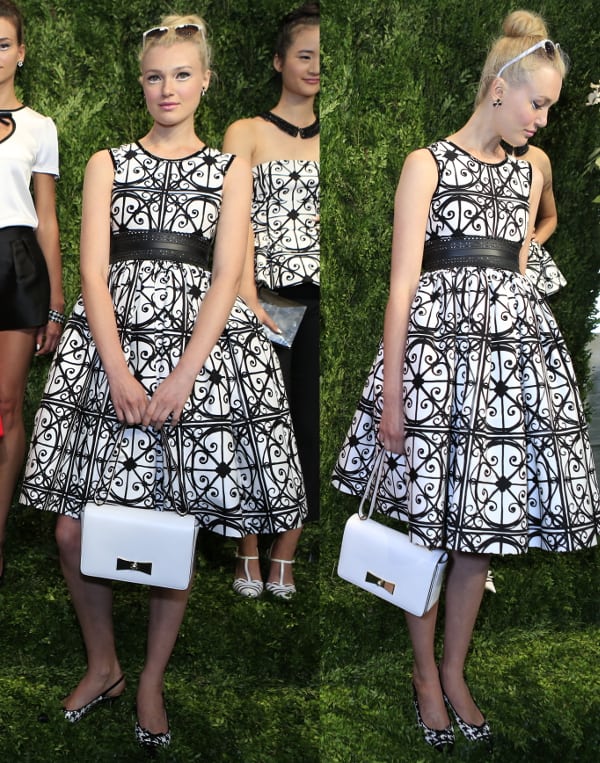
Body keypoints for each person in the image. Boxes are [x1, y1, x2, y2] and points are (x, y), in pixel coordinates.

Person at [19, 14, 306, 752]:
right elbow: (91, 271)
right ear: (140, 84)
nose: (167, 88)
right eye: (154, 76)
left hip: (197, 360)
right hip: (108, 354)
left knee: (173, 528)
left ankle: (150, 679)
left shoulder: (230, 169)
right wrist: (117, 369)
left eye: (181, 74)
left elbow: (228, 276)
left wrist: (183, 376)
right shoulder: (106, 162)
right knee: (71, 528)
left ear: (205, 80)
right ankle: (104, 665)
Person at [332, 10, 599, 753]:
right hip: (432, 370)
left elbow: (519, 262)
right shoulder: (426, 165)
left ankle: (454, 671)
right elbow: (401, 288)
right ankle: (425, 676)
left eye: (551, 107)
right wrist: (392, 398)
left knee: (479, 533)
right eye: (537, 103)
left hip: (507, 372)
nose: (542, 119)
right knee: (427, 530)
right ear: (498, 88)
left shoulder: (530, 170)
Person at [222, 3, 319, 599]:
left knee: (305, 424)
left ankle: (286, 553)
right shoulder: (246, 132)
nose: (315, 66)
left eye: (323, 58)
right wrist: (247, 296)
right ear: (279, 61)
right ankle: (247, 548)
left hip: (319, 301)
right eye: (304, 54)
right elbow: (234, 222)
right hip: (261, 295)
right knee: (254, 423)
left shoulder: (338, 135)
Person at [0, 0, 63, 587]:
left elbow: (46, 219)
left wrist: (55, 302)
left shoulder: (41, 128)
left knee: (5, 405)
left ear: (20, 52)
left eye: (2, 43)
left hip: (16, 265)